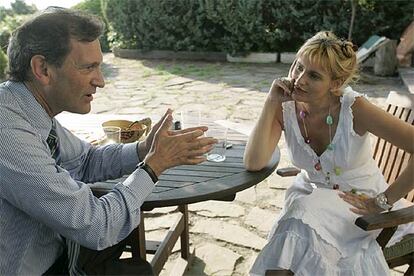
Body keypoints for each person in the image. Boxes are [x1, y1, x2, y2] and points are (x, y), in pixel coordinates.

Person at [0, 7, 216, 275]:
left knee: (134, 260)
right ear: (42, 68)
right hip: (34, 268)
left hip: (57, 247)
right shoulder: (6, 131)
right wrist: (153, 166)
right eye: (88, 67)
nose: (100, 81)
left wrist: (144, 149)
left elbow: (86, 160)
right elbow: (96, 226)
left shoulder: (26, 108)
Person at [244, 31, 414, 275]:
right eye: (298, 67)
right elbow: (254, 162)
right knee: (300, 219)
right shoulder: (285, 107)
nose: (299, 79)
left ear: (335, 83)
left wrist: (383, 201)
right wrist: (270, 101)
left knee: (298, 222)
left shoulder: (355, 109)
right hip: (311, 200)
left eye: (313, 75)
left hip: (359, 205)